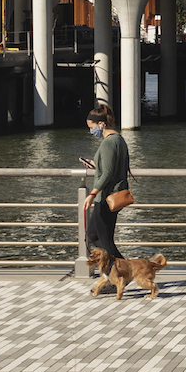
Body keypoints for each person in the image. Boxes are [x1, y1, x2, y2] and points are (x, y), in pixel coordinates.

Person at [81, 102, 129, 276]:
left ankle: (117, 275)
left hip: (107, 196)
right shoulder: (119, 139)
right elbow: (110, 167)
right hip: (112, 194)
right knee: (94, 235)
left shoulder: (109, 142)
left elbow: (108, 172)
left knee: (104, 239)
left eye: (91, 127)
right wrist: (96, 165)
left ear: (101, 124)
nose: (91, 131)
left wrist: (92, 193)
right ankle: (123, 270)